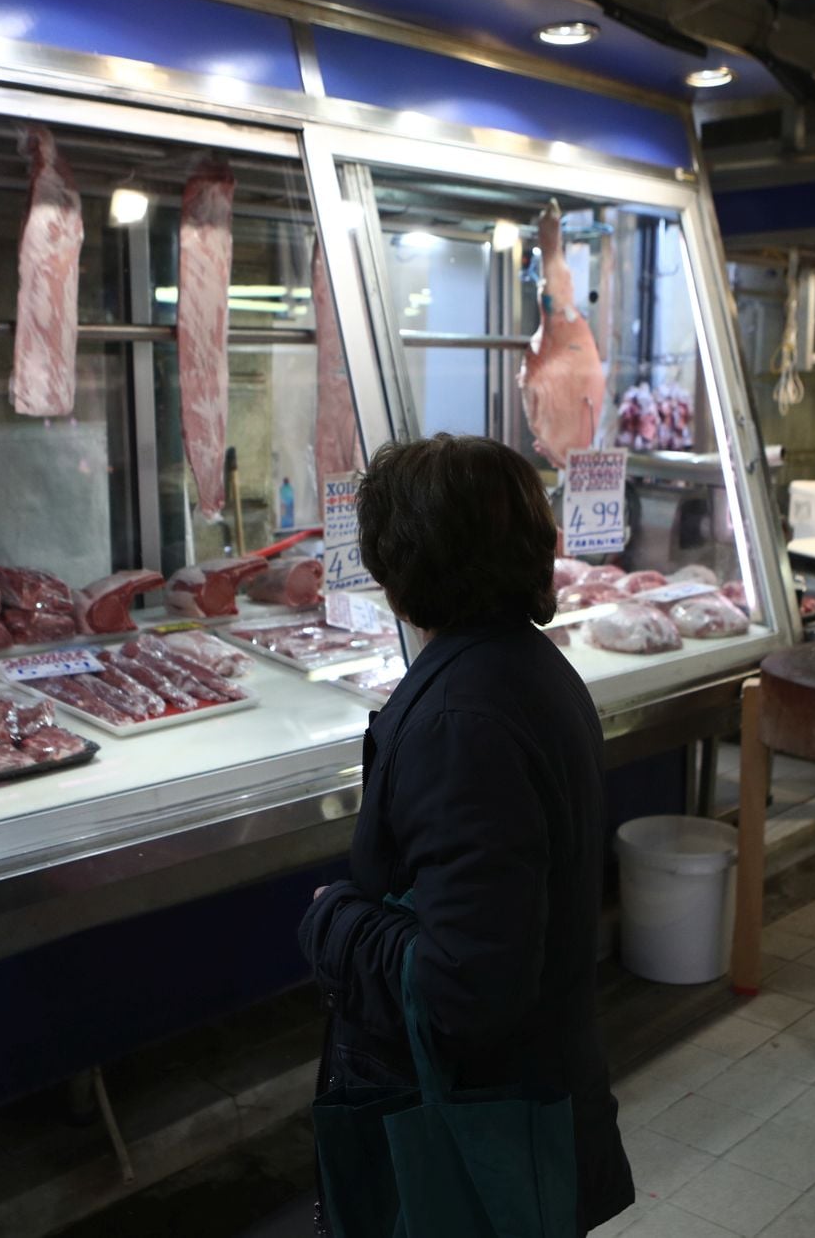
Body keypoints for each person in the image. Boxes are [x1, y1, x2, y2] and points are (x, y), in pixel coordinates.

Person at [298, 433, 634, 1235]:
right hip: (536, 1097)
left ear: (399, 566)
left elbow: (468, 987)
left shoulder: (460, 721)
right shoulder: (524, 665)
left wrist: (333, 922)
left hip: (482, 1137)